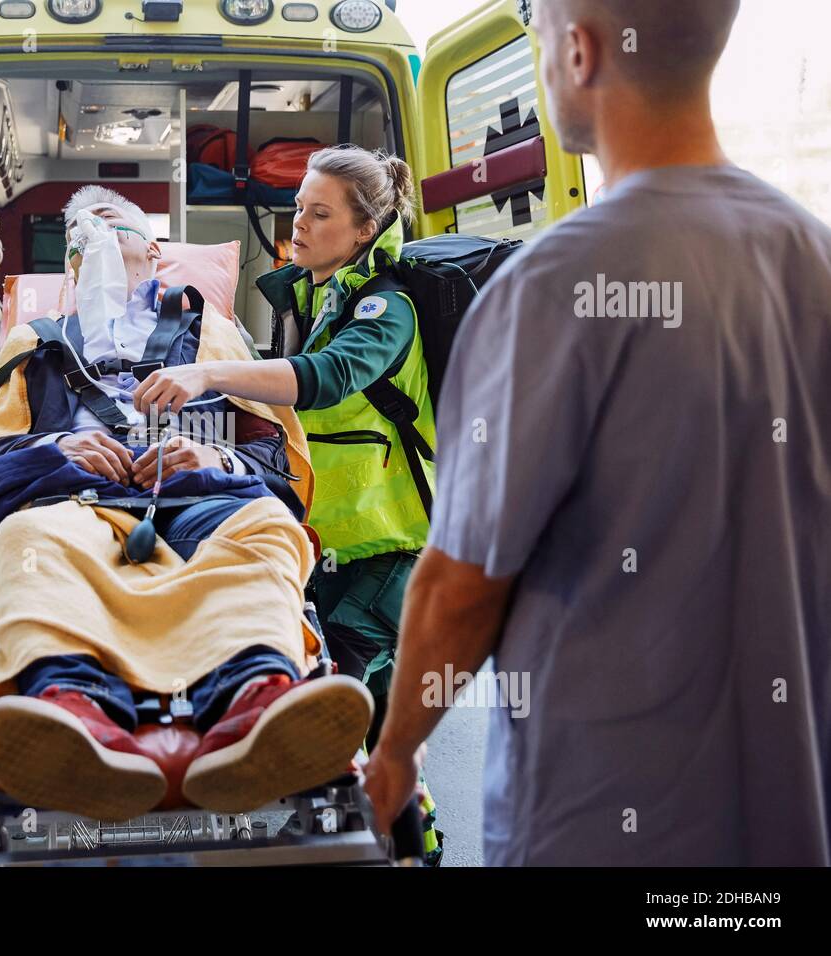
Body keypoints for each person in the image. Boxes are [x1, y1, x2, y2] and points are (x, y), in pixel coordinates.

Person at [363, 0, 831, 865]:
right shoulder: (813, 256)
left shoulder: (549, 287)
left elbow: (462, 586)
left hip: (596, 822)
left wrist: (395, 754)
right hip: (792, 819)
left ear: (579, 53)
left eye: (540, 37)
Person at [0, 186, 373, 820]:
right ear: (71, 263)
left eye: (114, 225)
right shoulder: (33, 344)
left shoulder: (212, 333)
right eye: (84, 231)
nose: (100, 237)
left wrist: (218, 458)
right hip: (74, 504)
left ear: (155, 250)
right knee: (26, 541)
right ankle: (70, 711)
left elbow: (277, 461)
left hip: (201, 500)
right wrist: (58, 449)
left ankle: (257, 698)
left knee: (269, 527)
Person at [134, 147, 431, 737]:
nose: (298, 223)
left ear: (365, 229)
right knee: (341, 717)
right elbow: (277, 425)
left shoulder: (385, 308)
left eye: (320, 214)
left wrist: (207, 374)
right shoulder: (312, 297)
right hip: (322, 543)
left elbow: (322, 379)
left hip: (393, 554)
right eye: (299, 207)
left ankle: (402, 826)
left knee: (340, 717)